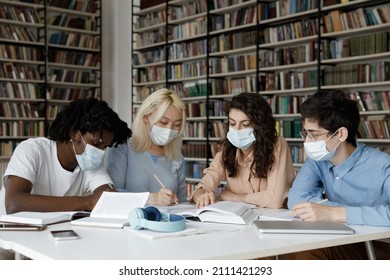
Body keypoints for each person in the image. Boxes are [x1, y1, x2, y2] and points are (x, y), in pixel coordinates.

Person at [278, 89, 390, 260]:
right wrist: (322, 211)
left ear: (341, 134)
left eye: (314, 134)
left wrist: (336, 213)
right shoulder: (318, 160)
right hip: (340, 238)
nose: (307, 142)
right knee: (276, 250)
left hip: (379, 245)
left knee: (303, 253)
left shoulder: (383, 166)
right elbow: (296, 198)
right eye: (305, 133)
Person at [2, 98, 131, 214]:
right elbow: (14, 203)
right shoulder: (32, 150)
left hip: (51, 232)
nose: (100, 152)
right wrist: (88, 202)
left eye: (104, 148)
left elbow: (108, 198)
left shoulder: (91, 163)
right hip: (11, 233)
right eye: (96, 143)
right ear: (74, 133)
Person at [191, 92, 295, 208]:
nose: (237, 130)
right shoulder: (227, 148)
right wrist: (201, 196)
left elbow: (275, 200)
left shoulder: (277, 145)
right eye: (232, 123)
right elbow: (203, 187)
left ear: (260, 127)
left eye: (245, 124)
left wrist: (233, 197)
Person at [105, 88, 187, 206]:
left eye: (177, 125)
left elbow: (182, 202)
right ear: (146, 117)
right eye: (163, 122)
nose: (169, 130)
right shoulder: (121, 147)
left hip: (164, 222)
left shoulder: (177, 157)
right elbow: (111, 195)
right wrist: (151, 199)